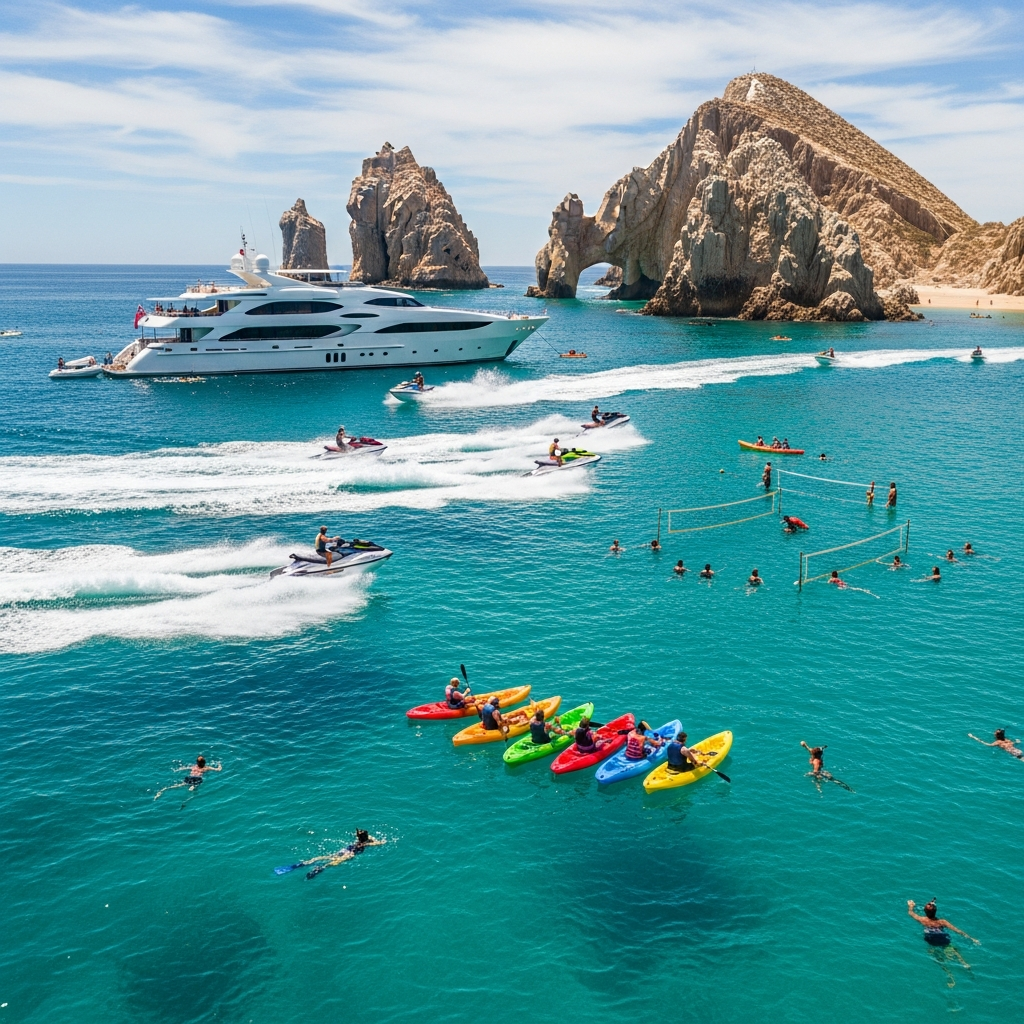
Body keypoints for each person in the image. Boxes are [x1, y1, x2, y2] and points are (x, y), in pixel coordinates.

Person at [906, 899, 978, 986]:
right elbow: (957, 930)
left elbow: (911, 913)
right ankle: (964, 964)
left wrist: (911, 906)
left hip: (932, 940)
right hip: (943, 939)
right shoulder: (942, 922)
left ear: (924, 911)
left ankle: (949, 975)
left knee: (938, 958)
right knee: (953, 950)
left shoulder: (922, 920)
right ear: (936, 911)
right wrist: (971, 938)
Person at [305, 830, 386, 879]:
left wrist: (363, 835)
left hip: (348, 848)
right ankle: (322, 867)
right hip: (352, 852)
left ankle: (307, 862)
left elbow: (359, 834)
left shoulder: (358, 840)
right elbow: (381, 842)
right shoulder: (366, 843)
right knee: (337, 861)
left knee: (330, 856)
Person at [154, 754, 222, 800]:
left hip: (189, 777)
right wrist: (219, 765)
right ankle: (191, 789)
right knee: (194, 788)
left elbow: (184, 768)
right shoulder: (206, 768)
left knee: (179, 785)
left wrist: (177, 769)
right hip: (197, 779)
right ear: (204, 762)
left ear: (197, 762)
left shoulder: (193, 766)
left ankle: (163, 790)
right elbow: (218, 770)